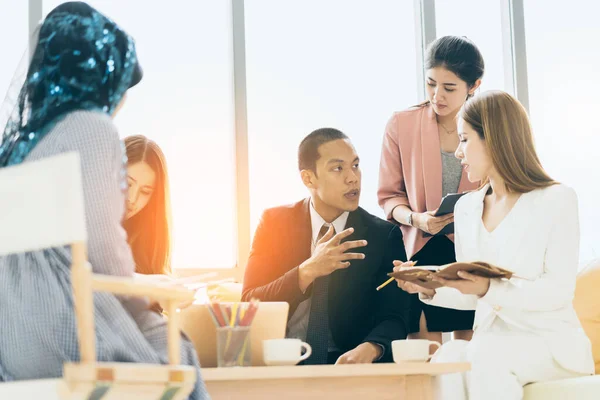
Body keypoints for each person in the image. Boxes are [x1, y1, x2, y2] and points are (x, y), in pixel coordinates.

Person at [0, 3, 208, 398]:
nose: (120, 100)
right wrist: (148, 289)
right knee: (177, 347)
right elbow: (102, 250)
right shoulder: (90, 126)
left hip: (12, 344)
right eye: (120, 84)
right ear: (99, 74)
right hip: (69, 334)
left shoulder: (19, 147)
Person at [393, 91, 594, 400]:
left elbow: (558, 291)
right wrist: (429, 287)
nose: (458, 153)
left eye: (464, 139)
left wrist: (489, 289)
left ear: (494, 139)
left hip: (549, 344)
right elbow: (473, 295)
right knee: (447, 358)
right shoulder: (467, 208)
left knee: (485, 358)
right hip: (490, 342)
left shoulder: (557, 199)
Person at [242, 128, 411, 365]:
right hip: (282, 360)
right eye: (338, 168)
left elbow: (396, 315)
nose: (353, 178)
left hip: (348, 364)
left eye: (355, 165)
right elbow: (249, 302)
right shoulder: (274, 223)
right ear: (308, 178)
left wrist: (372, 348)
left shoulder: (383, 235)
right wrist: (308, 271)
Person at [378, 35, 483, 343]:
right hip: (419, 246)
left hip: (470, 250)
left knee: (470, 356)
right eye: (431, 84)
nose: (438, 95)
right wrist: (417, 219)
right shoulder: (401, 124)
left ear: (474, 85)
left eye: (449, 88)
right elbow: (388, 196)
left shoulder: (487, 127)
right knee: (425, 356)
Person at [123, 135, 172, 276]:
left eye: (145, 192)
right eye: (127, 184)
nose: (132, 199)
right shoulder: (82, 224)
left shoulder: (146, 241)